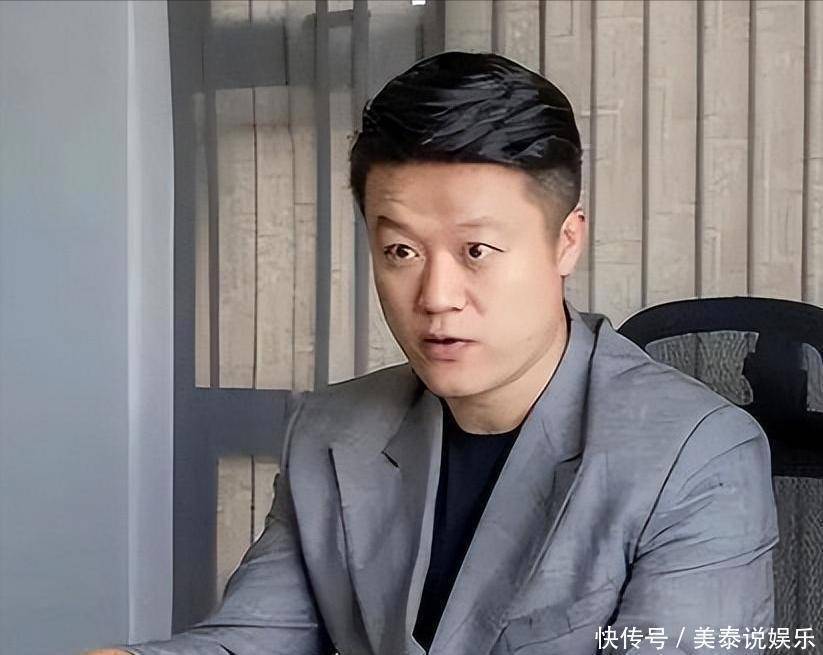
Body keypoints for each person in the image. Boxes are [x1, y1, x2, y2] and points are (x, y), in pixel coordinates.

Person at [89, 51, 779, 655]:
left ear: (566, 241)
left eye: (476, 250)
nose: (435, 296)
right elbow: (258, 638)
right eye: (400, 251)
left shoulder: (694, 457)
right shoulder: (332, 430)